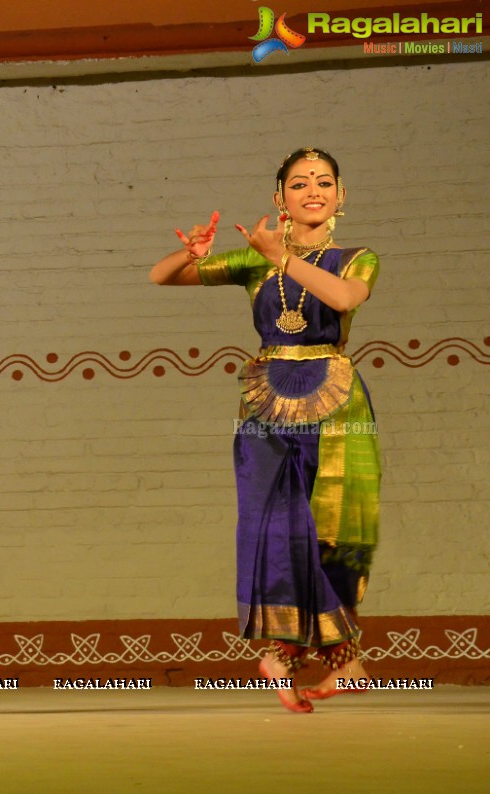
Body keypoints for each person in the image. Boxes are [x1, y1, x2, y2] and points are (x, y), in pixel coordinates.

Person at [148, 147, 381, 713]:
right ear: (281, 199)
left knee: (337, 528)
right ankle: (280, 654)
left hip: (338, 405)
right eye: (299, 184)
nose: (313, 191)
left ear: (341, 196)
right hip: (266, 403)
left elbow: (345, 298)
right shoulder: (254, 259)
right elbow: (161, 277)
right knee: (275, 523)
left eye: (324, 182)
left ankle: (341, 658)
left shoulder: (357, 257)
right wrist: (189, 255)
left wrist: (283, 257)